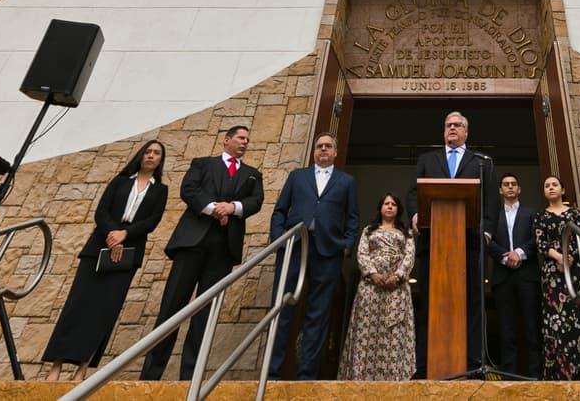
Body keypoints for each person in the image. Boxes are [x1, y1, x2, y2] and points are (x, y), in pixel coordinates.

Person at [140, 125, 264, 381]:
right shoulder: (202, 164)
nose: (245, 142)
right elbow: (189, 189)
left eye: (247, 140)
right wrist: (213, 209)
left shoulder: (253, 174)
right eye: (240, 138)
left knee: (205, 314)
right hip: (192, 244)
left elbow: (256, 201)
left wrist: (232, 207)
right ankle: (150, 376)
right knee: (172, 307)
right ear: (226, 140)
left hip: (223, 250)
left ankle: (190, 378)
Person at [43, 140, 168, 381]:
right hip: (99, 246)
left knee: (105, 311)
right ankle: (56, 365)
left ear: (161, 160)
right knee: (77, 305)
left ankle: (82, 369)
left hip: (128, 253)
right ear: (140, 155)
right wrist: (113, 234)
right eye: (148, 152)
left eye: (156, 153)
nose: (151, 156)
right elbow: (101, 211)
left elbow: (152, 221)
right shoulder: (120, 181)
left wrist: (125, 234)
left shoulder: (160, 190)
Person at [405, 111, 498, 375]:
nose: (452, 128)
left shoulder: (482, 162)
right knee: (429, 305)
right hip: (433, 245)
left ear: (466, 132)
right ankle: (425, 366)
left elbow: (491, 200)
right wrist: (415, 215)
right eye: (448, 125)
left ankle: (472, 365)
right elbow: (413, 193)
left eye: (457, 125)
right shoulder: (427, 159)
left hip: (470, 246)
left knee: (472, 305)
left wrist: (487, 233)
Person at [268, 131, 359, 379]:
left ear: (336, 152)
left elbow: (352, 217)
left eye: (328, 146)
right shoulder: (297, 176)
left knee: (318, 315)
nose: (323, 149)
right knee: (282, 309)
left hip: (328, 251)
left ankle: (306, 375)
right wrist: (279, 240)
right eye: (319, 146)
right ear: (314, 151)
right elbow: (280, 211)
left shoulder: (346, 181)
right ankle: (272, 372)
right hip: (294, 248)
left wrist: (347, 245)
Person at [337, 193, 417, 380]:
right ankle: (361, 377)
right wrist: (373, 273)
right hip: (370, 289)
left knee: (394, 334)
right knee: (366, 333)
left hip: (397, 291)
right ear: (380, 208)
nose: (389, 206)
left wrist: (397, 276)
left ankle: (393, 379)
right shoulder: (368, 231)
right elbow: (362, 254)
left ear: (398, 209)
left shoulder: (406, 233)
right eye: (386, 203)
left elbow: (409, 256)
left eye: (393, 204)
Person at [533, 174, 580, 380]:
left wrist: (569, 258)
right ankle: (559, 374)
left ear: (563, 190)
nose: (551, 187)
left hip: (574, 271)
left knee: (578, 316)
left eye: (554, 184)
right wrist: (559, 257)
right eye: (547, 185)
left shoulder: (575, 214)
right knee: (556, 320)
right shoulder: (540, 216)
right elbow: (540, 243)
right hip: (552, 274)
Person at [487, 173, 542, 378]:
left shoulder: (532, 213)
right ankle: (509, 375)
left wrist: (519, 253)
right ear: (500, 190)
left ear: (519, 189)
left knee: (532, 326)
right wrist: (505, 257)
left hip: (527, 275)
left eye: (513, 184)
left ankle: (535, 375)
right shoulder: (493, 216)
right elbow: (487, 240)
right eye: (506, 184)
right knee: (506, 329)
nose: (510, 187)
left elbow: (537, 238)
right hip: (503, 277)